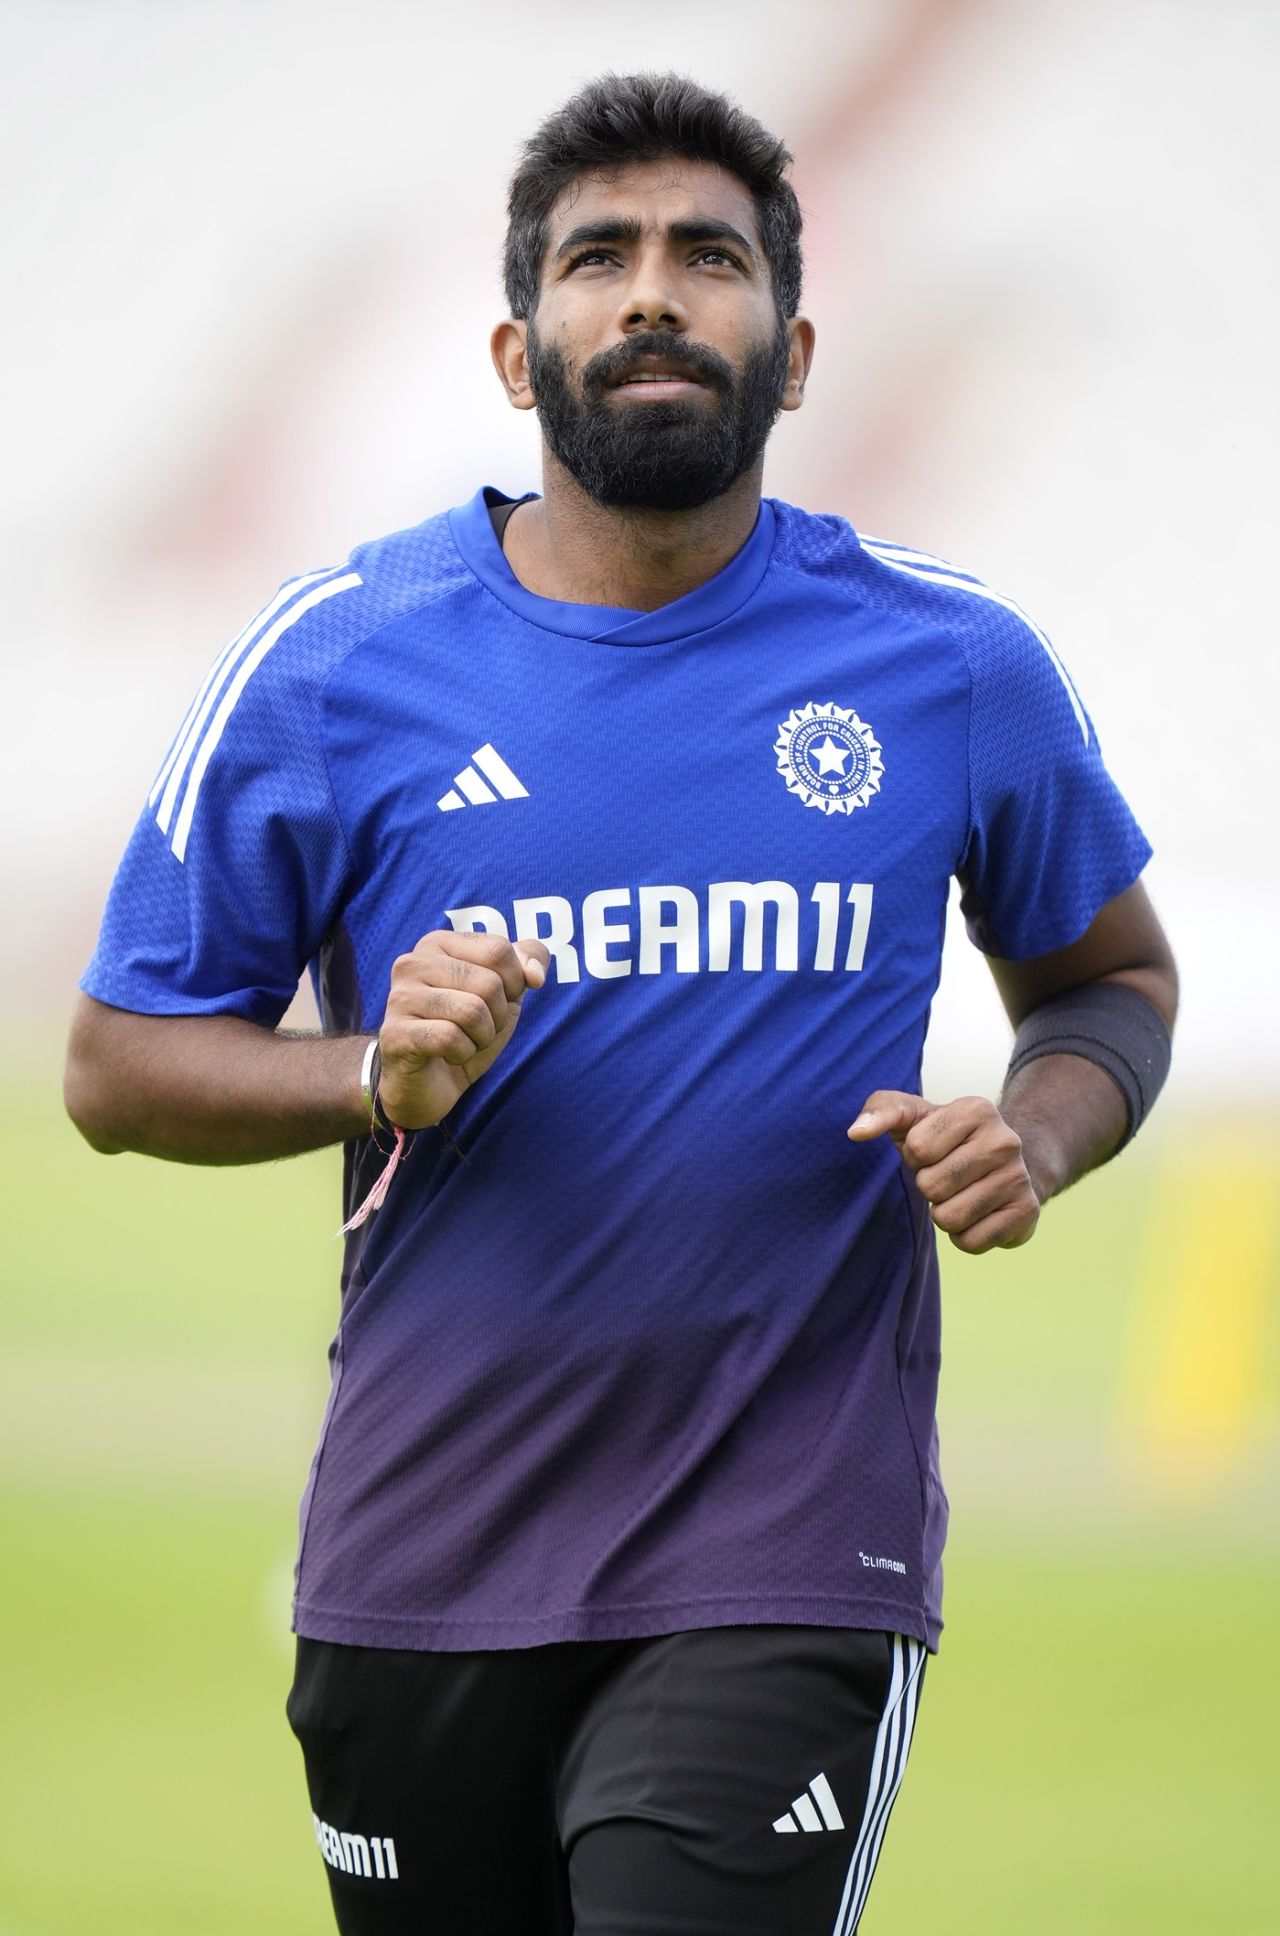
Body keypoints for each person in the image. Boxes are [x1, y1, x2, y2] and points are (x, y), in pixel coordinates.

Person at [65, 71, 1176, 1936]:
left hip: (786, 1557)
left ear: (797, 349)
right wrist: (373, 1072)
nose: (654, 295)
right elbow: (115, 1066)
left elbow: (1111, 983)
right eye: (601, 258)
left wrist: (1040, 1137)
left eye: (708, 258)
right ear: (519, 349)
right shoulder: (339, 661)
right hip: (420, 1563)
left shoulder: (950, 662)